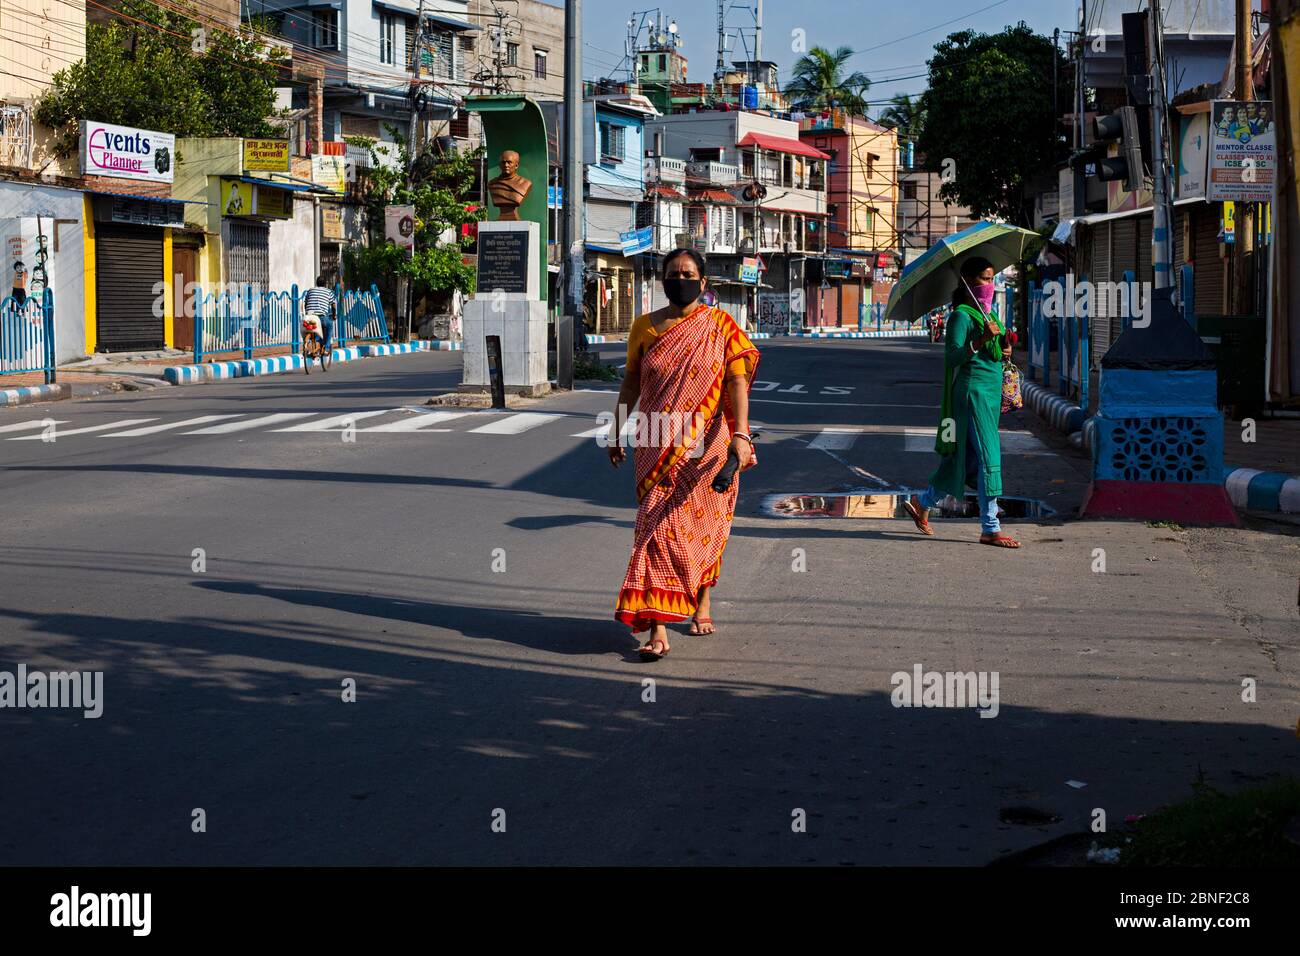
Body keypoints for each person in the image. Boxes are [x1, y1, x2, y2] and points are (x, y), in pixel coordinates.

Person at [608, 248, 760, 660]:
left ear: (703, 282)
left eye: (688, 273)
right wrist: (617, 427)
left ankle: (703, 600)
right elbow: (631, 385)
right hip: (656, 442)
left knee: (702, 528)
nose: (680, 279)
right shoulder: (644, 327)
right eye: (673, 273)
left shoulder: (721, 326)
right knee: (655, 532)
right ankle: (658, 628)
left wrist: (741, 435)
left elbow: (737, 383)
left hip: (708, 445)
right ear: (663, 280)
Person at [903, 256, 1020, 549]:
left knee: (964, 460)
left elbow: (995, 356)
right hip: (972, 395)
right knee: (989, 458)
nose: (989, 285)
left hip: (991, 396)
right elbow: (952, 358)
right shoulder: (961, 316)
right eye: (984, 278)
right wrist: (979, 341)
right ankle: (990, 527)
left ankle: (922, 502)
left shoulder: (989, 316)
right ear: (968, 282)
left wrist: (1004, 348)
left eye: (992, 278)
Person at [303, 276, 336, 351]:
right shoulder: (328, 292)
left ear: (316, 283)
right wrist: (334, 315)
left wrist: (307, 313)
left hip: (309, 316)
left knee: (314, 328)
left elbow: (306, 303)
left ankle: (310, 343)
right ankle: (326, 348)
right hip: (321, 317)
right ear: (325, 284)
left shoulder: (310, 290)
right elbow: (333, 305)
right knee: (329, 326)